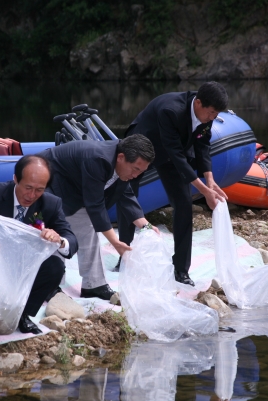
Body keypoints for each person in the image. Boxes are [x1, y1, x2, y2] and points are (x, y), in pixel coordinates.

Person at [118, 82, 229, 286]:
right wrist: (204, 190)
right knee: (129, 198)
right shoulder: (171, 110)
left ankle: (181, 269)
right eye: (212, 112)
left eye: (216, 114)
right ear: (198, 103)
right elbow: (176, 155)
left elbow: (202, 145)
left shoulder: (207, 113)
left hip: (172, 152)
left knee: (184, 204)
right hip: (144, 143)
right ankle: (123, 254)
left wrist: (210, 181)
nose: (213, 117)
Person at [0, 155, 78, 334]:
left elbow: (71, 238)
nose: (31, 195)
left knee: (54, 267)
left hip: (24, 264)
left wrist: (58, 240)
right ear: (15, 179)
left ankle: (22, 315)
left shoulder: (51, 203)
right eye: (28, 187)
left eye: (39, 190)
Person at [37, 135, 157, 301]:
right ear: (121, 158)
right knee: (54, 233)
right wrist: (115, 242)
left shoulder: (122, 162)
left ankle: (94, 285)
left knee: (88, 226)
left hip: (74, 189)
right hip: (48, 180)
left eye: (141, 172)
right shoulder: (98, 159)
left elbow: (125, 194)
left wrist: (146, 226)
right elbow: (95, 205)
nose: (136, 175)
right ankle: (49, 286)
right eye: (136, 169)